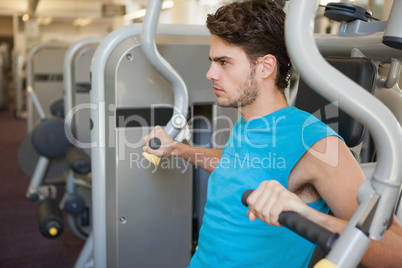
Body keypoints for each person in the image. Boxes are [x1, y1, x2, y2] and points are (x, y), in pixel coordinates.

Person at [143, 0, 402, 267]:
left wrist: (303, 215)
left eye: (223, 62)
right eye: (212, 61)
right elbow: (240, 167)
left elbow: (396, 250)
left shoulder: (317, 145)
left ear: (266, 67)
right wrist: (177, 149)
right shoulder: (248, 119)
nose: (210, 73)